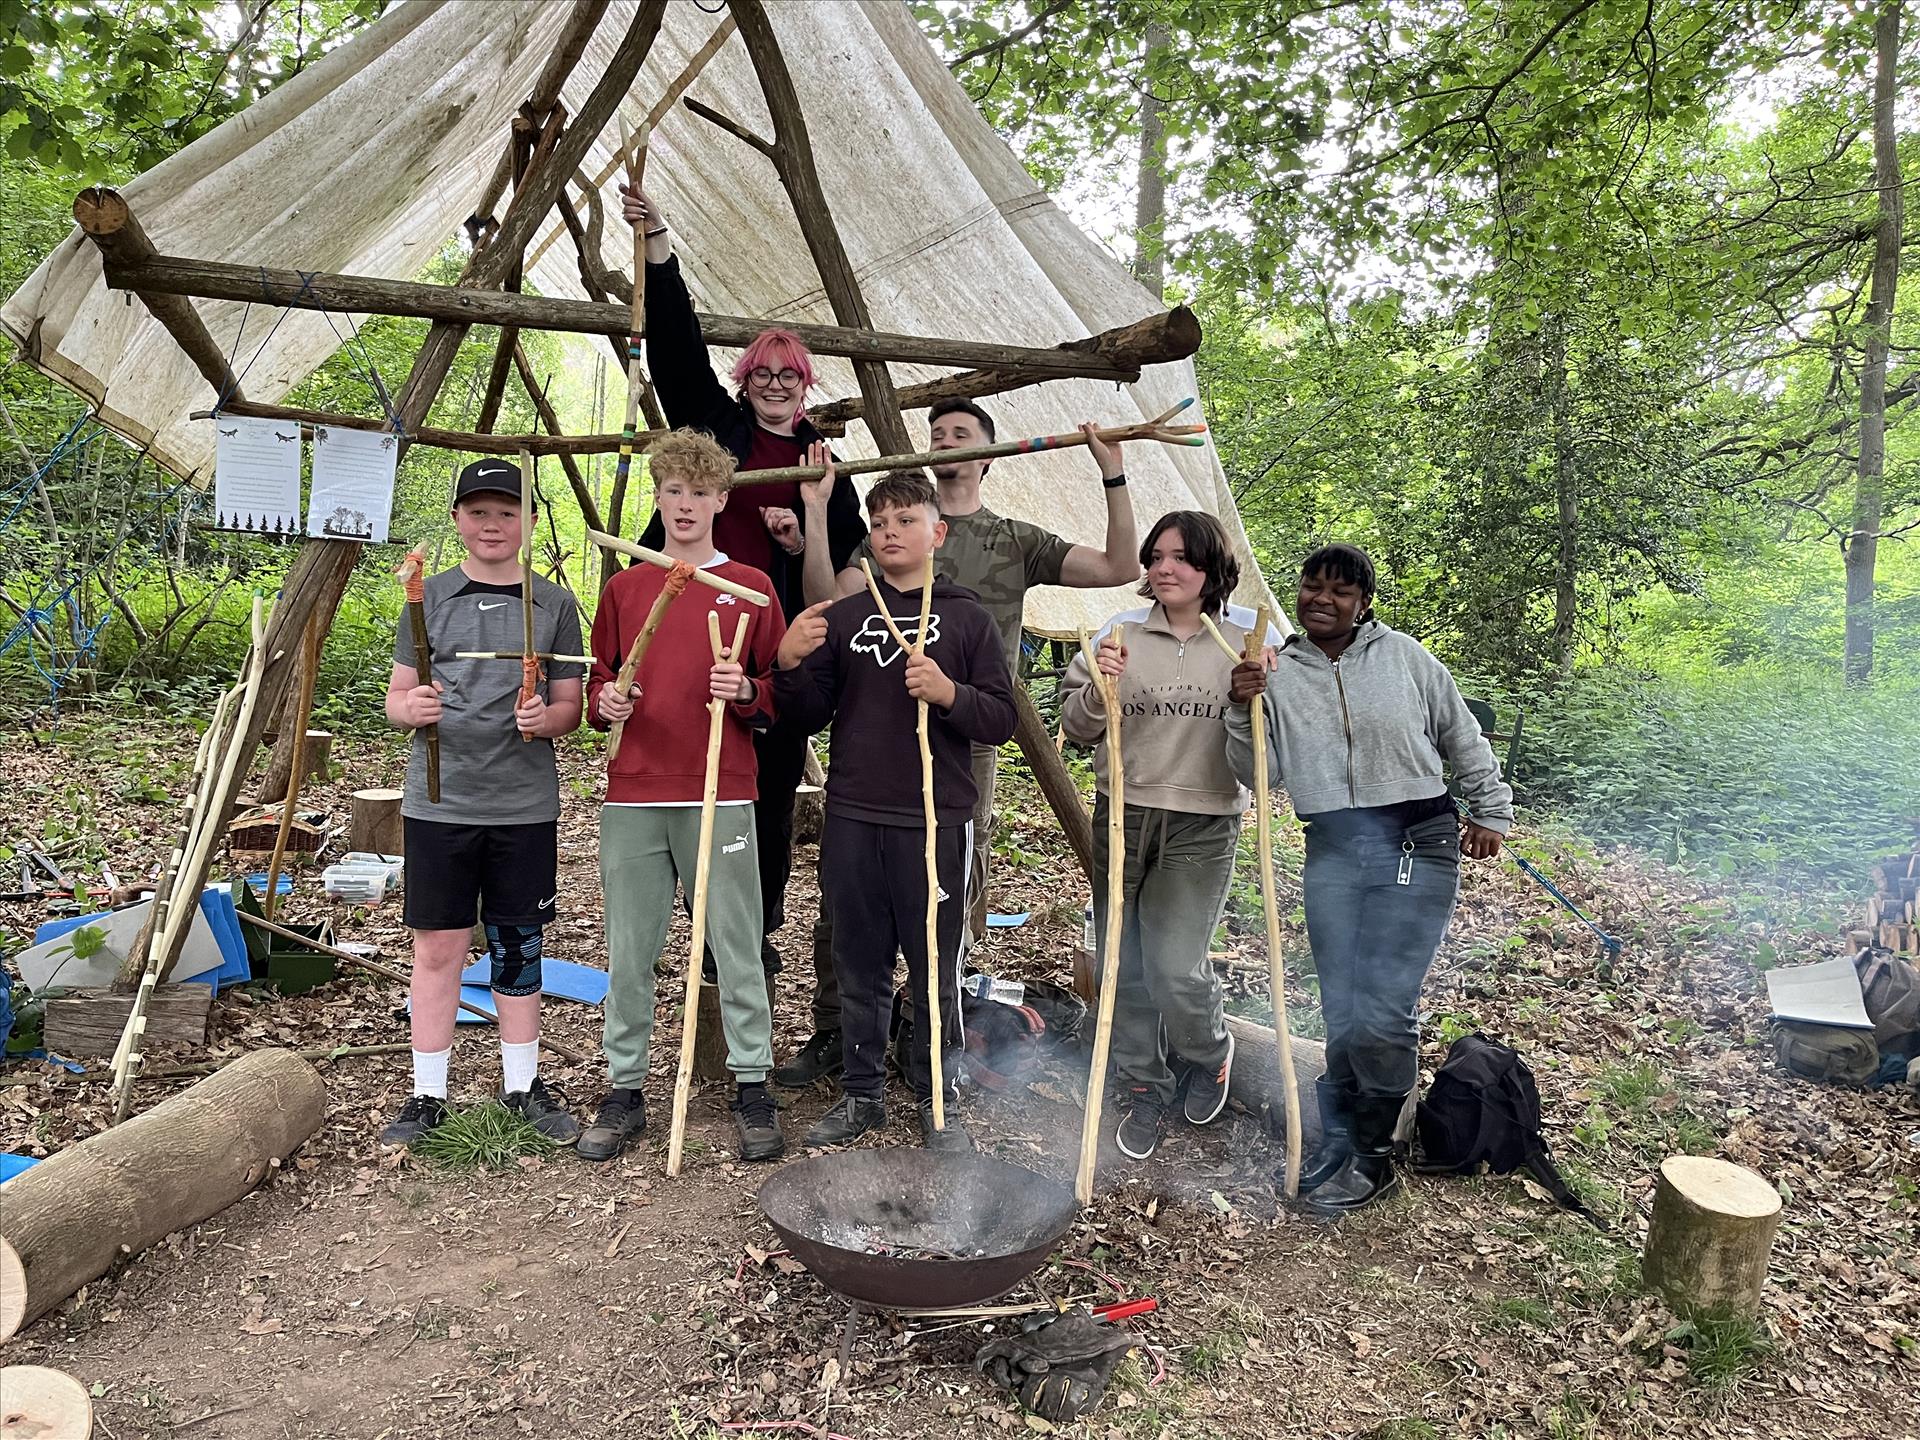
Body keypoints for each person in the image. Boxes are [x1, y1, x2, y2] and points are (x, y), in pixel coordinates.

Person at [771, 399, 1139, 1088]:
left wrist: (1112, 474)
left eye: (960, 436)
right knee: (851, 907)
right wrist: (817, 515)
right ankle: (841, 1035)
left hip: (963, 745)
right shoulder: (888, 531)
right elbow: (833, 608)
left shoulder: (1011, 539)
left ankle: (931, 1040)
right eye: (935, 436)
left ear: (987, 456)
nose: (944, 444)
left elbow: (1121, 562)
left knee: (945, 902)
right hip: (874, 743)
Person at [622, 184, 866, 985]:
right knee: (689, 783)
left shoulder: (822, 463)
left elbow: (844, 574)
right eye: (760, 372)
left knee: (765, 789)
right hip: (685, 633)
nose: (772, 384)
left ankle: (751, 933)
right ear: (745, 379)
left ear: (807, 384)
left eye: (786, 374)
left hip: (770, 650)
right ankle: (693, 931)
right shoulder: (716, 428)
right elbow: (676, 348)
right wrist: (658, 243)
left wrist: (801, 543)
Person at [1225, 543, 1512, 1215]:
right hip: (1334, 845)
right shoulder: (1276, 670)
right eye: (1311, 585)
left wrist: (1491, 809)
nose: (1321, 598)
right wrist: (1241, 706)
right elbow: (1253, 771)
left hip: (1416, 838)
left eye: (1340, 591)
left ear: (1364, 603)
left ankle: (1374, 1157)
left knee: (1383, 1004)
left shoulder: (1405, 657)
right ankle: (1341, 1139)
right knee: (1342, 1001)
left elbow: (1460, 733)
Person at [772, 472, 1018, 1151]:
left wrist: (948, 694)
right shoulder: (848, 618)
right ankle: (862, 1095)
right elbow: (807, 713)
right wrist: (789, 666)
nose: (888, 532)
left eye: (905, 520)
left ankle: (939, 1097)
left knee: (935, 964)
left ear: (937, 533)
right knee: (859, 960)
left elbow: (1000, 718)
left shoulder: (968, 618)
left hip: (936, 823)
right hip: (853, 816)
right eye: (879, 522)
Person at [577, 430, 789, 1164]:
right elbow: (598, 690)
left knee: (736, 944)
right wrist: (607, 703)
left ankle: (753, 1086)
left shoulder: (753, 588)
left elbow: (778, 695)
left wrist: (748, 692)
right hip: (634, 791)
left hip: (720, 791)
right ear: (658, 496)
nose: (686, 504)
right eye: (674, 490)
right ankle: (625, 1088)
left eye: (701, 492)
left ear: (721, 500)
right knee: (630, 950)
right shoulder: (625, 585)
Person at [381, 458, 584, 1148]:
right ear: (458, 519)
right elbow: (396, 698)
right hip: (440, 805)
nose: (492, 524)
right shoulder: (426, 595)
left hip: (523, 806)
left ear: (529, 521)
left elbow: (570, 708)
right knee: (438, 947)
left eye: (507, 512)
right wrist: (416, 706)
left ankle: (522, 1084)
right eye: (478, 511)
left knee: (518, 944)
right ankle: (427, 1095)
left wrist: (546, 721)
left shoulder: (553, 605)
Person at [1059, 512, 1274, 1161]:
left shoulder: (1251, 642)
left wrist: (1250, 700)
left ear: (1212, 567)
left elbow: (1265, 763)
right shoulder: (1117, 633)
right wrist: (1100, 690)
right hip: (1122, 810)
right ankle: (1144, 1082)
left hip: (1203, 820)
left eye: (1181, 557)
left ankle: (1209, 1054)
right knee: (1121, 959)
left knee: (1176, 964)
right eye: (1156, 556)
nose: (1164, 567)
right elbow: (1074, 727)